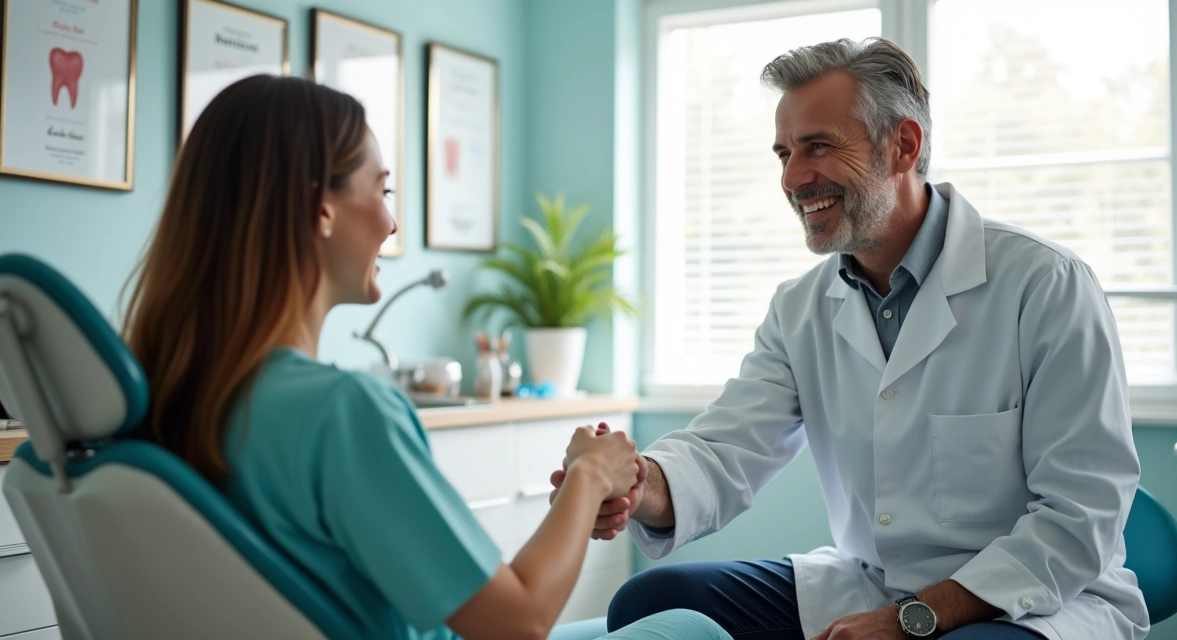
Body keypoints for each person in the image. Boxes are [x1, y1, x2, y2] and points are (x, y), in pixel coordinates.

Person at [550, 38, 1149, 640]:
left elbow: (1080, 516)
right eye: (784, 152)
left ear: (904, 147)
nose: (792, 177)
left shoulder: (1044, 284)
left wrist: (913, 619)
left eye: (818, 147)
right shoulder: (800, 306)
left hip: (1038, 599)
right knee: (651, 602)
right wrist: (634, 482)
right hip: (874, 581)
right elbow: (723, 451)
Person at [121, 75, 729, 640]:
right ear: (320, 209)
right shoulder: (341, 412)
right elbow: (516, 620)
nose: (390, 223)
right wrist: (591, 474)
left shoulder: (166, 396)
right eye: (381, 190)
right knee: (696, 627)